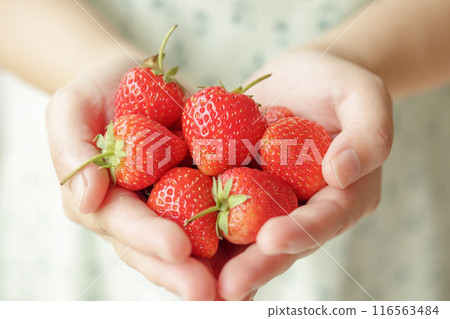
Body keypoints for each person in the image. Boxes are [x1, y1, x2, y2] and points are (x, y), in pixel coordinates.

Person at [1, 0, 449, 300]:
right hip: (60, 59)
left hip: (392, 88)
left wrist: (358, 56)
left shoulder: (260, 140)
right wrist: (94, 62)